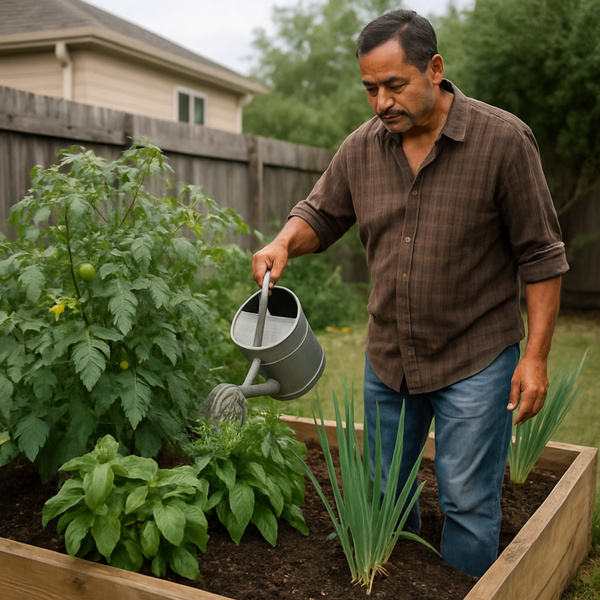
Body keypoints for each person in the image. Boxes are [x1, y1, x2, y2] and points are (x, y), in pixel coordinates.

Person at [251, 9, 568, 578]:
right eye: (370, 89)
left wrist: (537, 357)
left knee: (468, 504)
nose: (381, 103)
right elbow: (320, 215)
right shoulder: (361, 149)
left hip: (476, 357)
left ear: (435, 68)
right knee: (382, 502)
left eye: (395, 85)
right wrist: (281, 243)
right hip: (390, 359)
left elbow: (541, 256)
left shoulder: (502, 140)